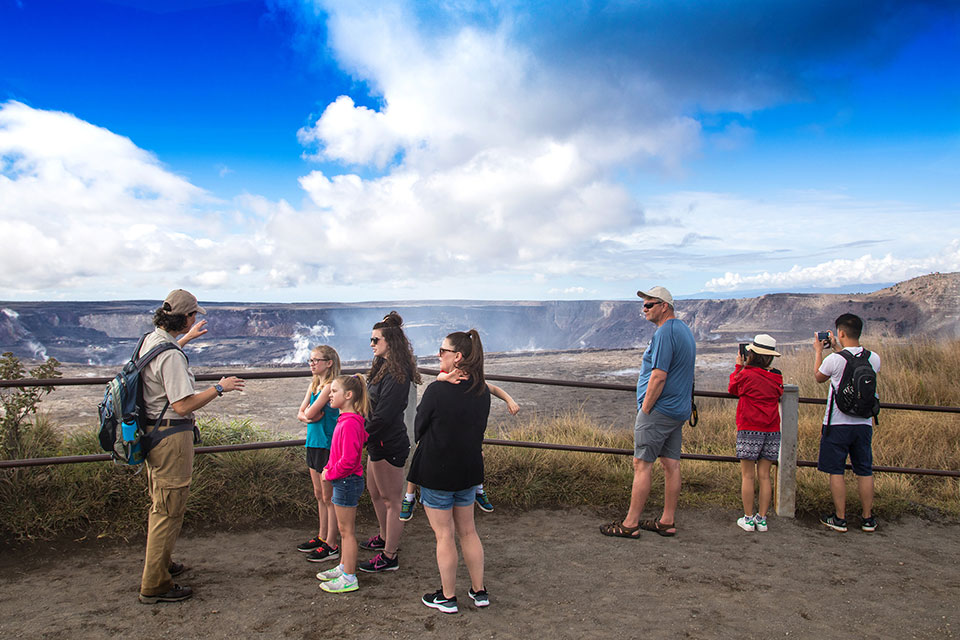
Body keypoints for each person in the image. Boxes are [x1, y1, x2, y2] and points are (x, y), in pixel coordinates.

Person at [138, 289, 245, 604]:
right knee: (168, 509)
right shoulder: (169, 355)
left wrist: (186, 340)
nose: (195, 319)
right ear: (184, 317)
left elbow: (161, 360)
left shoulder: (152, 341)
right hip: (171, 438)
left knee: (161, 503)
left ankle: (162, 562)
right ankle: (155, 583)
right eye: (193, 315)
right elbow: (183, 405)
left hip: (152, 435)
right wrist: (219, 387)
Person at [600, 286, 695, 539]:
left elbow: (659, 375)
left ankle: (630, 524)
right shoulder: (684, 330)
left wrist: (646, 407)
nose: (644, 309)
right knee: (671, 465)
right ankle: (667, 520)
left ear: (664, 306)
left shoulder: (665, 333)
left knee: (641, 464)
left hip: (660, 410)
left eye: (649, 305)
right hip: (678, 410)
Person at [409, 330, 491, 614]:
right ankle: (479, 592)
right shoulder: (482, 391)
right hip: (468, 471)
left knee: (444, 535)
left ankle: (447, 597)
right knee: (468, 531)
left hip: (437, 472)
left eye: (442, 350)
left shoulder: (437, 390)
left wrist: (438, 383)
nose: (438, 355)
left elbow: (418, 429)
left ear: (457, 357)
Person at [400, 371, 519, 521]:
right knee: (419, 453)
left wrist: (509, 400)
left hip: (463, 434)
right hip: (446, 434)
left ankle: (478, 489)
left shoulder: (473, 383)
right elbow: (440, 378)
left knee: (477, 453)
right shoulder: (446, 382)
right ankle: (409, 497)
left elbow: (492, 388)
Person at [358, 311, 421, 572]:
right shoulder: (383, 368)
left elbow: (384, 415)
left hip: (387, 443)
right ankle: (384, 538)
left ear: (390, 343)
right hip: (376, 441)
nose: (372, 344)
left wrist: (359, 436)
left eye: (376, 340)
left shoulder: (397, 375)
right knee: (375, 493)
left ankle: (390, 555)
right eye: (371, 340)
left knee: (392, 500)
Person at [814, 313, 881, 533]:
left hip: (838, 424)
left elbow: (819, 376)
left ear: (840, 333)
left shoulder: (834, 359)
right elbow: (853, 365)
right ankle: (867, 519)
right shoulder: (874, 358)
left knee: (837, 471)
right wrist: (838, 348)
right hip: (863, 424)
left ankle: (840, 518)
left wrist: (818, 352)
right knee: (864, 470)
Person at [315, 374, 370, 594]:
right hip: (344, 480)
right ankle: (344, 567)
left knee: (347, 531)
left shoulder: (349, 424)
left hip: (346, 481)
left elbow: (349, 459)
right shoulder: (347, 420)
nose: (329, 395)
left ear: (348, 396)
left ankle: (349, 577)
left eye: (334, 391)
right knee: (343, 529)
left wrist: (330, 473)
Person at [728, 334, 783, 532]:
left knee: (748, 476)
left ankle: (748, 518)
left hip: (750, 428)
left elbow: (733, 387)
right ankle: (762, 518)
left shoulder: (746, 374)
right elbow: (779, 393)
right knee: (765, 476)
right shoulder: (777, 376)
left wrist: (738, 366)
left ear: (751, 354)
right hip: (772, 430)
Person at [295, 345, 341, 562]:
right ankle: (323, 536)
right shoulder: (314, 384)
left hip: (326, 444)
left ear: (329, 362)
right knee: (319, 493)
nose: (312, 364)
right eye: (310, 360)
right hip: (313, 443)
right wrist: (307, 417)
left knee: (328, 496)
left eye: (316, 360)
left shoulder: (330, 386)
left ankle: (332, 543)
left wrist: (307, 416)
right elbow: (302, 414)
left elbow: (311, 411)